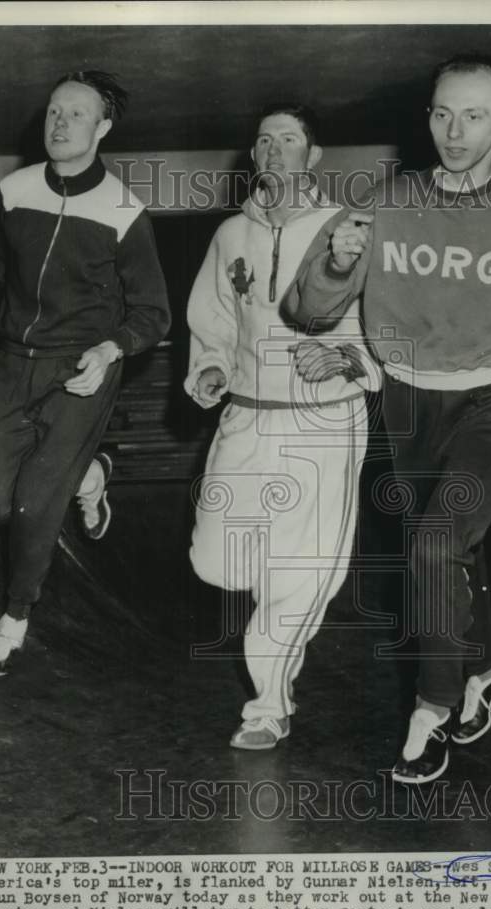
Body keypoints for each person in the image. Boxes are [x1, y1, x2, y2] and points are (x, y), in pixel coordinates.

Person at [283, 54, 491, 782]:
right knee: (454, 547)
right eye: (441, 113)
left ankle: (432, 706)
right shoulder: (382, 202)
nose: (454, 132)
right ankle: (484, 661)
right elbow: (306, 313)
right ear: (426, 115)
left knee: (432, 545)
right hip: (408, 395)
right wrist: (335, 260)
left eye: (475, 115)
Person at [0, 69, 170, 677]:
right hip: (13, 363)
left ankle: (14, 621)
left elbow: (153, 312)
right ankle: (93, 472)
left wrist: (108, 351)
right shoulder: (14, 190)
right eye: (52, 111)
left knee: (38, 503)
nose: (59, 123)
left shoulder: (124, 210)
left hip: (82, 369)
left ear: (103, 127)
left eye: (76, 113)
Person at [185, 103, 382, 749]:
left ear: (313, 156)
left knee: (296, 576)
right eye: (262, 139)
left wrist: (347, 359)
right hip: (247, 416)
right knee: (219, 562)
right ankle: (272, 648)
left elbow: (390, 330)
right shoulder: (229, 236)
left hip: (323, 421)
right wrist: (211, 368)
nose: (272, 150)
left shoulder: (347, 229)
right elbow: (212, 319)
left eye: (288, 139)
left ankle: (267, 706)